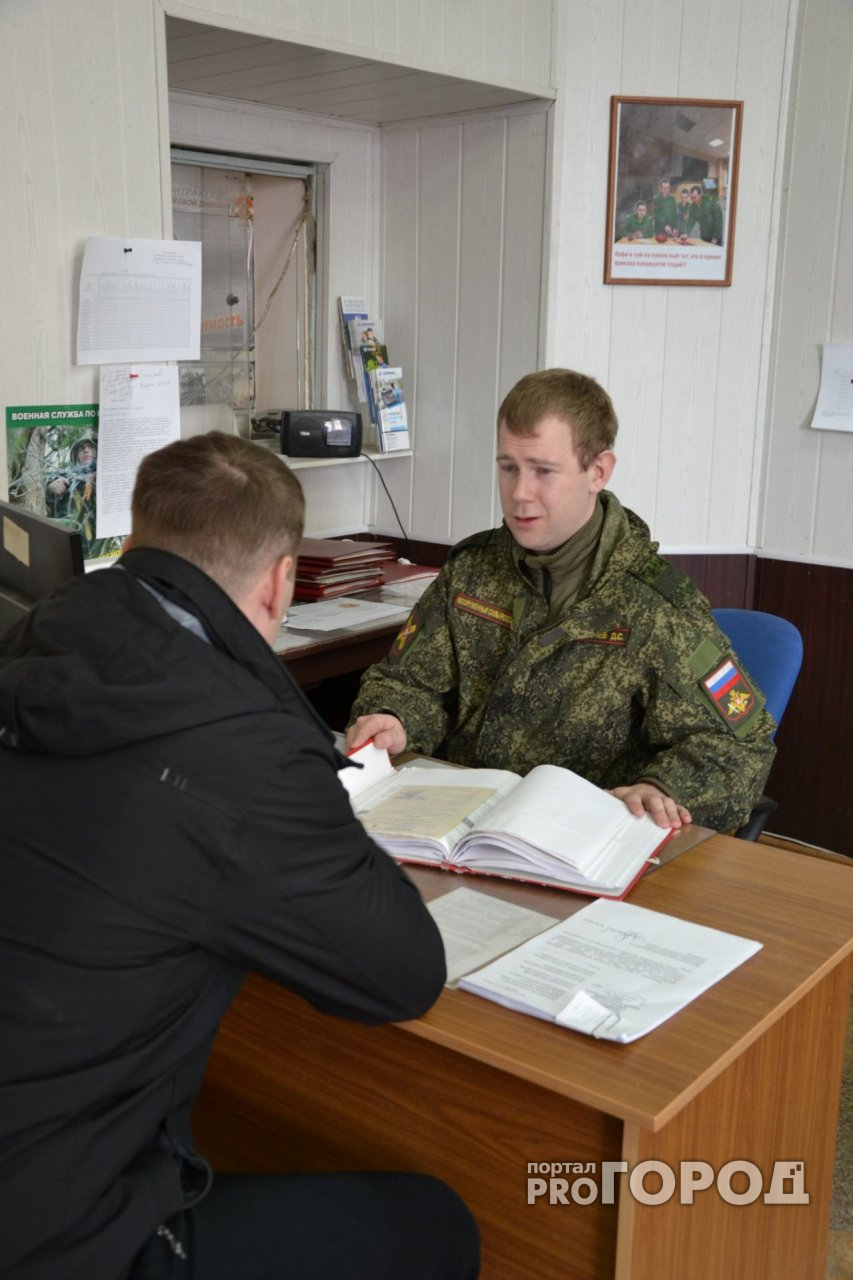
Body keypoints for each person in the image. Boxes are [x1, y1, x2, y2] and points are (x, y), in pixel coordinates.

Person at [0, 432, 479, 1280]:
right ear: (280, 582)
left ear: (137, 538)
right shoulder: (241, 751)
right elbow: (403, 975)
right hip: (62, 1235)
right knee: (435, 1225)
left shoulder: (34, 648)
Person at [347, 369, 776, 833]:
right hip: (455, 829)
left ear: (598, 471)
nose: (519, 493)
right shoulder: (472, 570)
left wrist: (663, 788)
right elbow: (408, 683)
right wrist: (396, 718)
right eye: (508, 467)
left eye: (543, 471)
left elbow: (740, 746)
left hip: (579, 846)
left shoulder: (655, 606)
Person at [45, 434, 99, 553]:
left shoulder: (106, 474)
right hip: (65, 536)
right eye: (82, 448)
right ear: (76, 454)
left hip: (96, 542)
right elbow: (42, 492)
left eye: (91, 447)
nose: (86, 450)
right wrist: (49, 488)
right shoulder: (65, 475)